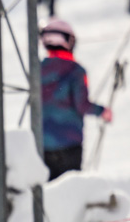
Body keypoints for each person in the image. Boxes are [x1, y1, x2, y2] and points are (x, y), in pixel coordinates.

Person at [39, 19, 112, 181]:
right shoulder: (76, 71)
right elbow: (82, 105)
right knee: (68, 193)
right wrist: (103, 112)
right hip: (69, 145)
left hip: (42, 145)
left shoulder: (37, 69)